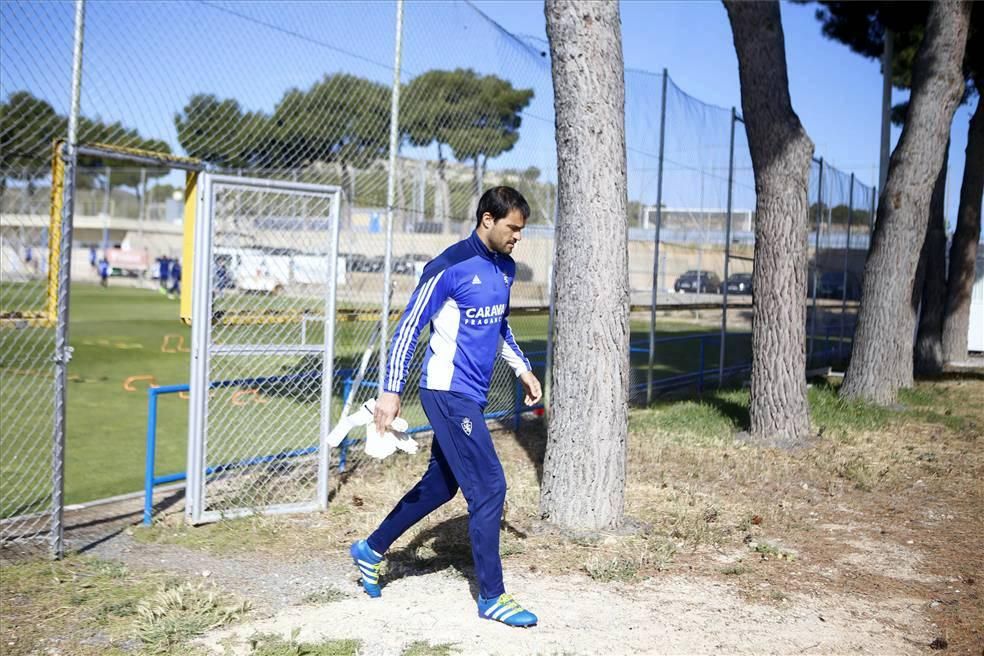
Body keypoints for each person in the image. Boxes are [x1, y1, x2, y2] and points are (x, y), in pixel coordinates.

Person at [350, 186, 542, 628]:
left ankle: (371, 549)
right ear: (487, 220)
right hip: (446, 393)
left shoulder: (507, 268)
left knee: (441, 486)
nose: (518, 237)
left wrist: (524, 370)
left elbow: (500, 325)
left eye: (522, 230)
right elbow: (408, 328)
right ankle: (492, 596)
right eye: (513, 228)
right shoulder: (449, 266)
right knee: (490, 487)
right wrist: (391, 390)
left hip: (470, 396)